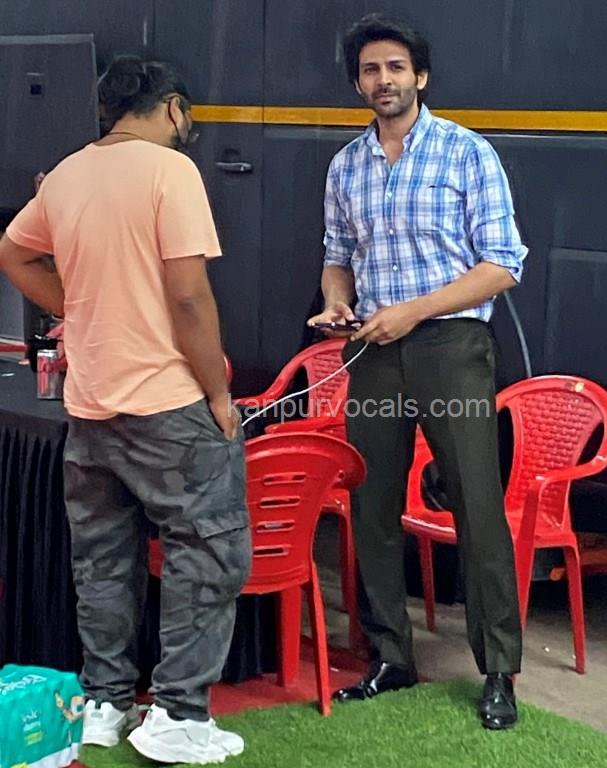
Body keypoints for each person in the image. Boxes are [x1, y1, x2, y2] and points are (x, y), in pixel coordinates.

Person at [0, 55, 249, 763]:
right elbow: (188, 296)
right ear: (172, 109)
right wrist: (219, 393)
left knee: (103, 561)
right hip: (169, 404)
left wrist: (77, 310)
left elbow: (11, 254)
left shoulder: (67, 173)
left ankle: (106, 705)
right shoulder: (172, 171)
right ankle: (179, 716)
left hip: (89, 407)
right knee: (207, 553)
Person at [308, 14, 528, 730]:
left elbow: (502, 265)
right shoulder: (346, 166)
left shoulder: (466, 152)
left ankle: (498, 671)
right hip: (374, 350)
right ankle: (390, 658)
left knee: (475, 504)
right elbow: (337, 254)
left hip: (451, 349)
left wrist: (413, 311)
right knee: (372, 505)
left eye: (395, 68)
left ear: (420, 76)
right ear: (358, 83)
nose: (384, 80)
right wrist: (337, 302)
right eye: (370, 70)